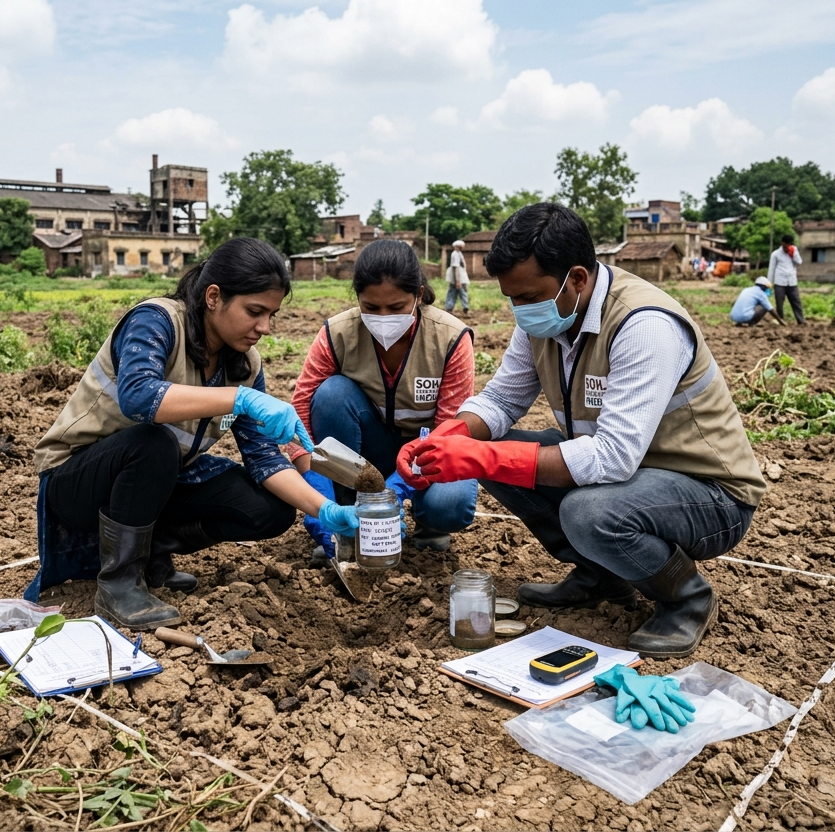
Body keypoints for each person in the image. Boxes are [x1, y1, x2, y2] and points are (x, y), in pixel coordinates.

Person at [397, 203, 767, 659]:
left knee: (587, 511)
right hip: (630, 477)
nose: (520, 310)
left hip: (707, 494)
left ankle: (686, 597)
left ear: (576, 279)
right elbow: (501, 400)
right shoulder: (545, 318)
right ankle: (602, 576)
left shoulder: (644, 325)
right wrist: (450, 434)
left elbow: (612, 458)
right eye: (512, 298)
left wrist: (481, 457)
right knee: (490, 447)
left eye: (529, 297)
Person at [25, 237, 361, 629]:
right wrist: (238, 399)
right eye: (254, 311)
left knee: (268, 508)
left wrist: (326, 510)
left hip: (154, 482)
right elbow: (139, 396)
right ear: (214, 297)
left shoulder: (244, 365)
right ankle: (119, 583)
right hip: (78, 482)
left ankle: (150, 555)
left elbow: (264, 458)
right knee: (153, 443)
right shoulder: (158, 321)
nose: (264, 328)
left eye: (271, 314)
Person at [290, 239, 478, 556]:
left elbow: (449, 432)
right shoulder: (338, 333)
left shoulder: (449, 338)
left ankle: (429, 523)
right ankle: (347, 519)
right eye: (371, 308)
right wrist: (316, 492)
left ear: (418, 295)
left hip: (428, 452)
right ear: (358, 299)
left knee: (450, 504)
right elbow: (300, 413)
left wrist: (395, 490)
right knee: (331, 394)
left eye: (396, 308)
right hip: (367, 452)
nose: (383, 318)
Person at [768, 234, 803, 324]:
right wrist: (768, 283)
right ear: (782, 243)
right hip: (780, 282)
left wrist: (793, 254)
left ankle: (801, 321)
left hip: (792, 282)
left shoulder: (794, 250)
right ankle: (781, 321)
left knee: (796, 302)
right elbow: (771, 269)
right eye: (785, 245)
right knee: (779, 303)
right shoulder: (775, 254)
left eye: (789, 245)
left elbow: (799, 262)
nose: (787, 247)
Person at [445, 240, 470, 313]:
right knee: (456, 292)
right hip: (457, 276)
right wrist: (457, 281)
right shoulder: (455, 254)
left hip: (460, 276)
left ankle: (463, 307)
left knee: (457, 292)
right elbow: (456, 268)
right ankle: (450, 308)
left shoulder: (459, 253)